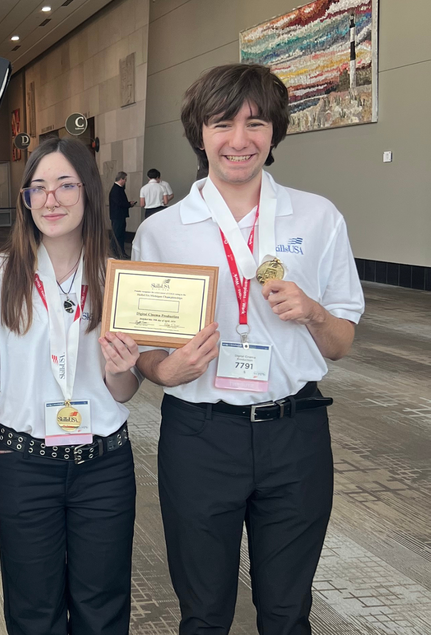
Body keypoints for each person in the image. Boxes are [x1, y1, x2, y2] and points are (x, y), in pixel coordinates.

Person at [133, 64, 364, 635]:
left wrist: (312, 312)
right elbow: (139, 347)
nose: (240, 140)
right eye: (222, 124)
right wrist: (166, 369)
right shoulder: (163, 231)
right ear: (200, 133)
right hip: (200, 435)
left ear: (274, 132)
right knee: (204, 611)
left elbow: (342, 342)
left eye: (255, 123)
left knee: (287, 612)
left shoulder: (317, 217)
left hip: (295, 433)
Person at [0, 138, 141, 635]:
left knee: (103, 608)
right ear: (26, 200)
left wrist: (121, 368)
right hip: (23, 467)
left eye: (65, 185)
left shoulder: (115, 277)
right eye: (38, 188)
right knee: (33, 611)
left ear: (87, 192)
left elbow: (124, 392)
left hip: (103, 465)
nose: (51, 199)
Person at [108, 172, 136, 258]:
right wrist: (129, 204)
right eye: (125, 179)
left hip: (119, 215)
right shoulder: (116, 189)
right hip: (117, 216)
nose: (125, 182)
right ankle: (114, 252)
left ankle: (120, 252)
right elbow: (119, 203)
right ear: (121, 179)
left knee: (120, 234)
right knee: (117, 235)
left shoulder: (117, 189)